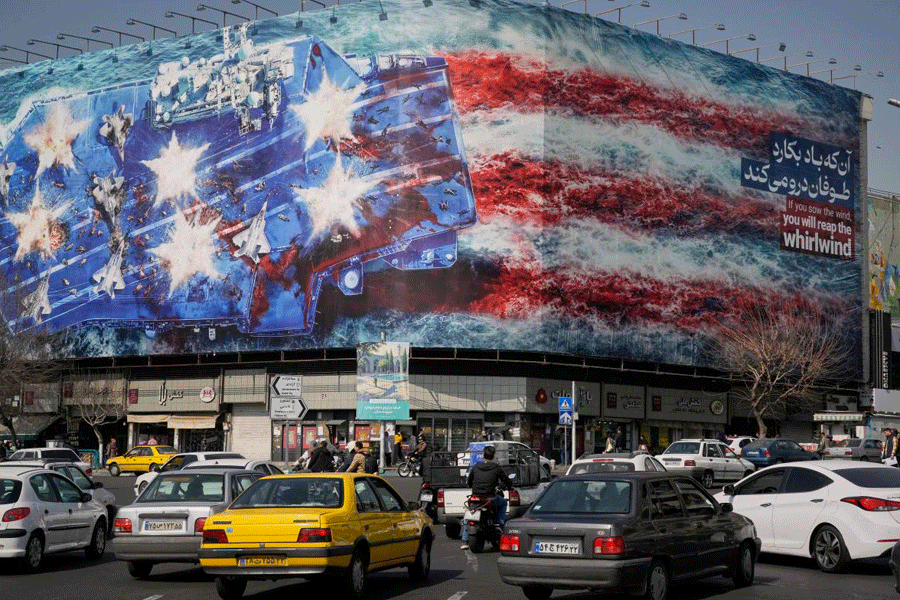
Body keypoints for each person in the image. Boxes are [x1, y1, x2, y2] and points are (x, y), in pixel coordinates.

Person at [461, 445, 513, 549]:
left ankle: (464, 541)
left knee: (469, 515)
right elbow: (505, 480)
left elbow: (469, 481)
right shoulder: (496, 467)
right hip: (490, 497)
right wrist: (509, 486)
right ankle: (498, 524)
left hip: (475, 497)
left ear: (483, 455)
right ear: (493, 456)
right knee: (503, 502)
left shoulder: (476, 466)